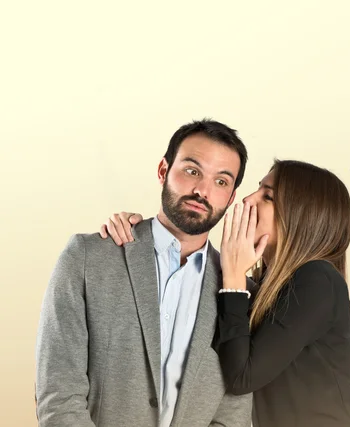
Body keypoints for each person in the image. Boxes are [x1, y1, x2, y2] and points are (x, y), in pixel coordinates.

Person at [102, 159, 350, 427]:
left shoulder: (317, 278)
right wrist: (141, 231)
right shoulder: (267, 286)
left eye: (267, 196)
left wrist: (234, 276)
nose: (248, 200)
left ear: (302, 214)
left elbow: (242, 376)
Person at [35, 119, 253, 427]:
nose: (202, 191)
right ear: (163, 171)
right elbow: (59, 393)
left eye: (221, 182)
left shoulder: (240, 293)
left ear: (230, 198)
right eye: (192, 170)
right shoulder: (88, 258)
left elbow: (234, 411)